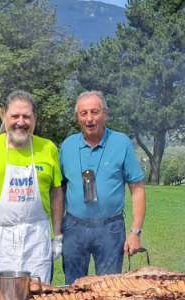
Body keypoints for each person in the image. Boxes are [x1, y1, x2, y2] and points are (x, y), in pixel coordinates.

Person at [0, 90, 63, 284]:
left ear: (34, 118)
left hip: (37, 239)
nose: (21, 122)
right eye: (15, 116)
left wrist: (58, 235)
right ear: (4, 115)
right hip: (0, 242)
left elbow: (57, 192)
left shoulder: (48, 148)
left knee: (39, 298)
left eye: (26, 116)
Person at [59, 91, 146, 284]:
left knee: (108, 289)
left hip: (110, 229)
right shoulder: (67, 146)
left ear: (105, 114)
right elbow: (60, 189)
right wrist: (57, 231)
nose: (89, 119)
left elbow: (137, 188)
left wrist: (135, 232)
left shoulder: (121, 142)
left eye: (94, 112)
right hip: (74, 228)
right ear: (77, 118)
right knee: (73, 289)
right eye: (83, 113)